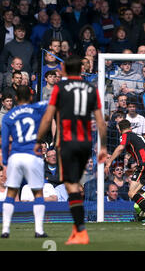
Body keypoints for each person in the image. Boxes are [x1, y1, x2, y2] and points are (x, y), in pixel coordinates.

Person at [33, 55, 108, 245]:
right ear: (81, 70)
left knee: (71, 185)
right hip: (85, 143)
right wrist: (104, 146)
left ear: (65, 70)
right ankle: (77, 230)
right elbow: (100, 120)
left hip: (67, 141)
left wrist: (39, 139)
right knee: (74, 183)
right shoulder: (91, 88)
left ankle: (80, 230)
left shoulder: (59, 88)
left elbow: (48, 117)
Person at [0, 85, 48, 239]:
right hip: (33, 156)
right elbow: (51, 102)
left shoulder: (8, 116)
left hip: (16, 156)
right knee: (38, 193)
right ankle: (39, 230)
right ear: (31, 97)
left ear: (15, 98)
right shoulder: (37, 109)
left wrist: (6, 162)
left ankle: (5, 230)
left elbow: (5, 142)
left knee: (11, 192)